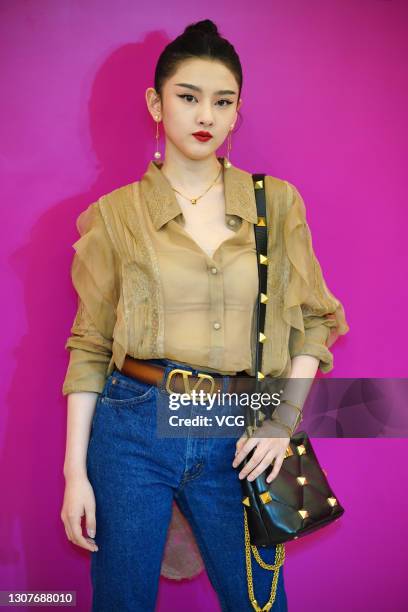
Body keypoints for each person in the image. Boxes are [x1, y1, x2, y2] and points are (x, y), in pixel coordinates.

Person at [60, 19, 349, 612]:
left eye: (223, 101)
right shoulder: (114, 217)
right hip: (132, 427)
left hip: (237, 428)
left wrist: (282, 421)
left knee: (261, 603)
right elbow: (89, 346)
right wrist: (74, 476)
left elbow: (316, 321)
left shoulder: (277, 202)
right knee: (121, 602)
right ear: (156, 102)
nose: (205, 115)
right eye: (188, 97)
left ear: (237, 111)